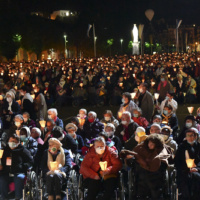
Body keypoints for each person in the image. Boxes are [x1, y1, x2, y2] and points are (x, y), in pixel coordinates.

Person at [121, 134, 171, 200]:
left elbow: (163, 160)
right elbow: (134, 155)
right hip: (141, 175)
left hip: (156, 177)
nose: (150, 145)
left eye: (153, 143)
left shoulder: (161, 150)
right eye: (150, 142)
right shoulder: (141, 148)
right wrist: (133, 158)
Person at [0, 134, 33, 200]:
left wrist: (22, 167)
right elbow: (2, 161)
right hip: (6, 172)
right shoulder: (5, 150)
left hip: (18, 172)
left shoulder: (23, 150)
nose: (11, 143)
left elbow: (31, 161)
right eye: (10, 141)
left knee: (19, 178)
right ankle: (4, 198)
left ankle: (18, 197)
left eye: (13, 141)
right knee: (2, 180)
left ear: (17, 143)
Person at [175, 128, 200, 200]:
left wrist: (197, 168)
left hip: (197, 170)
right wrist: (185, 169)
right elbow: (177, 161)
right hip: (184, 171)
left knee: (196, 177)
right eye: (188, 135)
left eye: (192, 135)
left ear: (195, 136)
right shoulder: (181, 147)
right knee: (184, 180)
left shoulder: (198, 146)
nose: (190, 137)